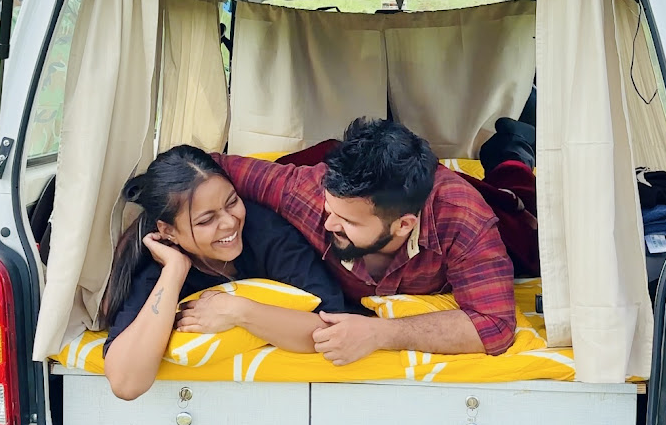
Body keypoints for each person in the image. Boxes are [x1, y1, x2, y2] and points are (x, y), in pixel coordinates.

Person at [211, 118, 516, 366]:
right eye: (330, 209)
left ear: (403, 225)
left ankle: (514, 149)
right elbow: (207, 169)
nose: (329, 223)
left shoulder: (462, 217)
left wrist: (380, 333)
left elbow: (494, 325)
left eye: (349, 221)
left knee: (516, 196)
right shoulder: (302, 190)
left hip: (505, 228)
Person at [101, 144, 346, 400]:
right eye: (206, 220)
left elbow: (334, 330)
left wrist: (239, 312)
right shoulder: (158, 265)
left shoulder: (267, 234)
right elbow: (127, 383)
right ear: (168, 231)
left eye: (232, 202)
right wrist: (174, 271)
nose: (229, 222)